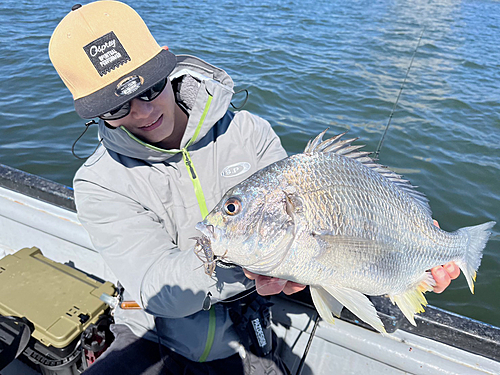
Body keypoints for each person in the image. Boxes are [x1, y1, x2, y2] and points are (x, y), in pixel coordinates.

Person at [48, 2, 459, 374]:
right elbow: (159, 290)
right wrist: (248, 260)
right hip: (157, 333)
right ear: (93, 112)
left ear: (167, 66)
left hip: (252, 322)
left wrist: (415, 252)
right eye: (116, 107)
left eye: (150, 86)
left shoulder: (249, 131)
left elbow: (322, 245)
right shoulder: (99, 182)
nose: (143, 111)